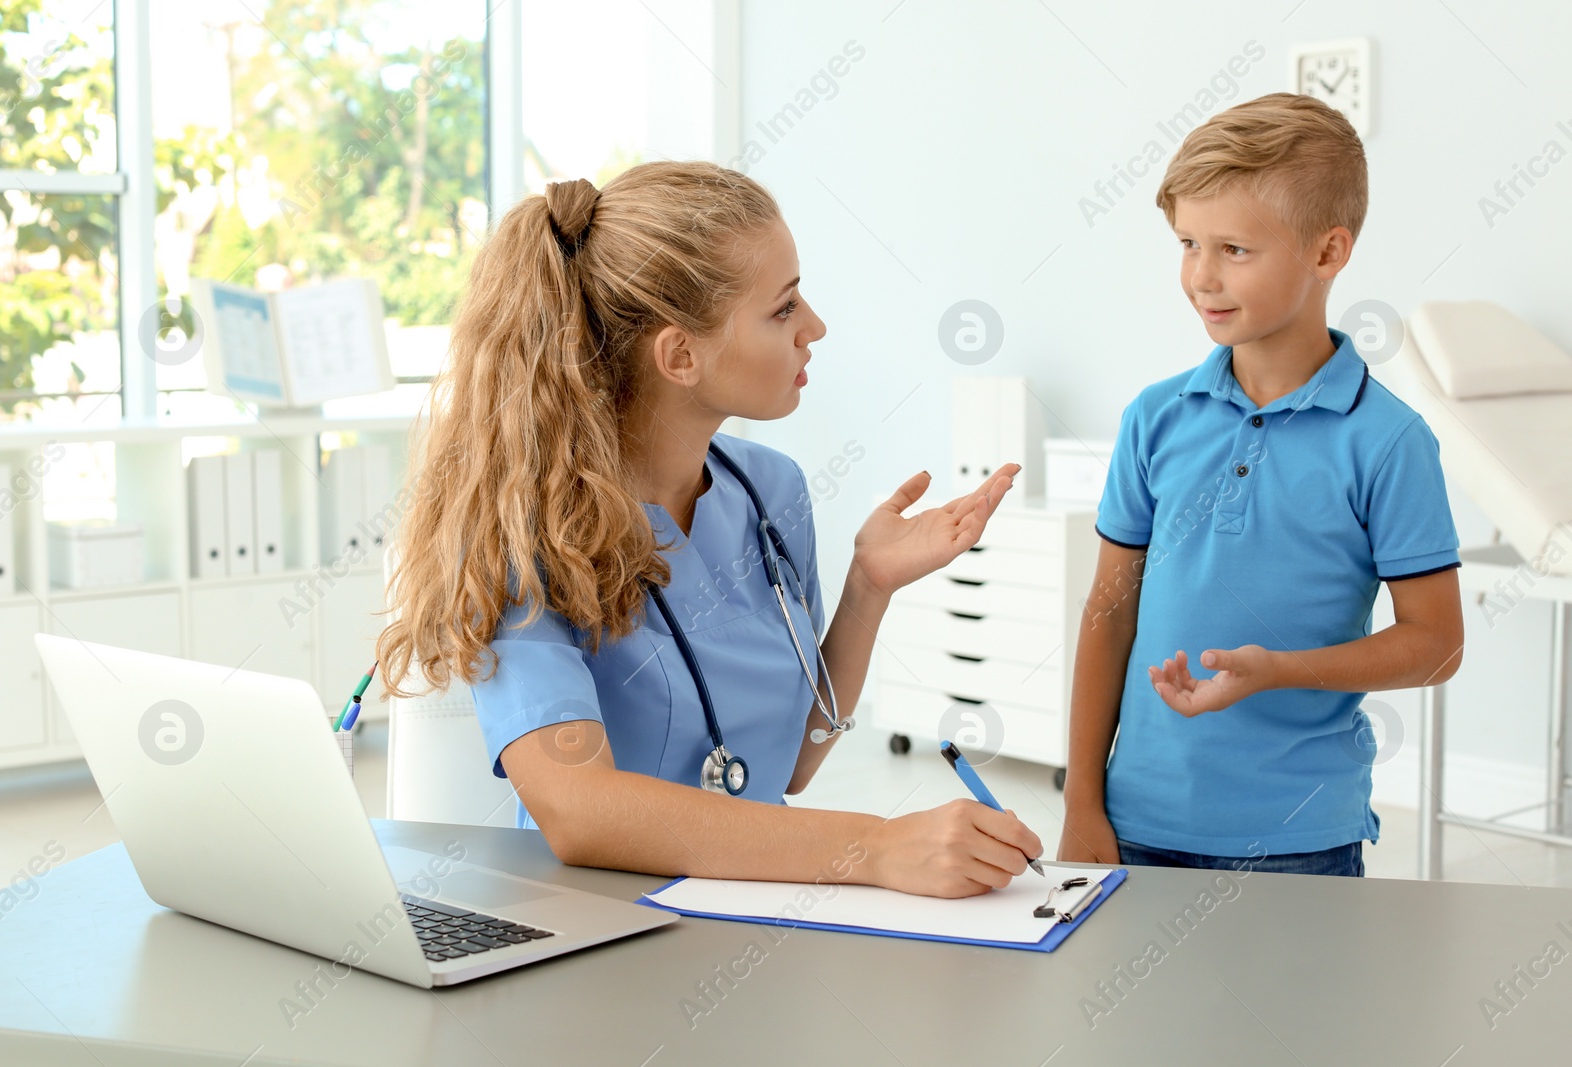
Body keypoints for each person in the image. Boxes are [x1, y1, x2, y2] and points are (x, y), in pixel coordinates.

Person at [377, 161, 1043, 898]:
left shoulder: (774, 491)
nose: (814, 328)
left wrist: (868, 588)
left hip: (755, 908)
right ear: (680, 355)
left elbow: (790, 764)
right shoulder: (529, 531)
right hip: (601, 934)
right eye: (784, 309)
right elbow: (578, 808)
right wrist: (875, 846)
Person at [1058, 94, 1465, 877]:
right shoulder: (1155, 418)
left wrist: (1280, 669)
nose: (1201, 277)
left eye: (1235, 249)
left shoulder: (1389, 442)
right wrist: (1082, 799)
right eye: (1187, 243)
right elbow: (1108, 614)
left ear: (1327, 252)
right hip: (1135, 819)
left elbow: (1437, 643)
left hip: (1300, 838)